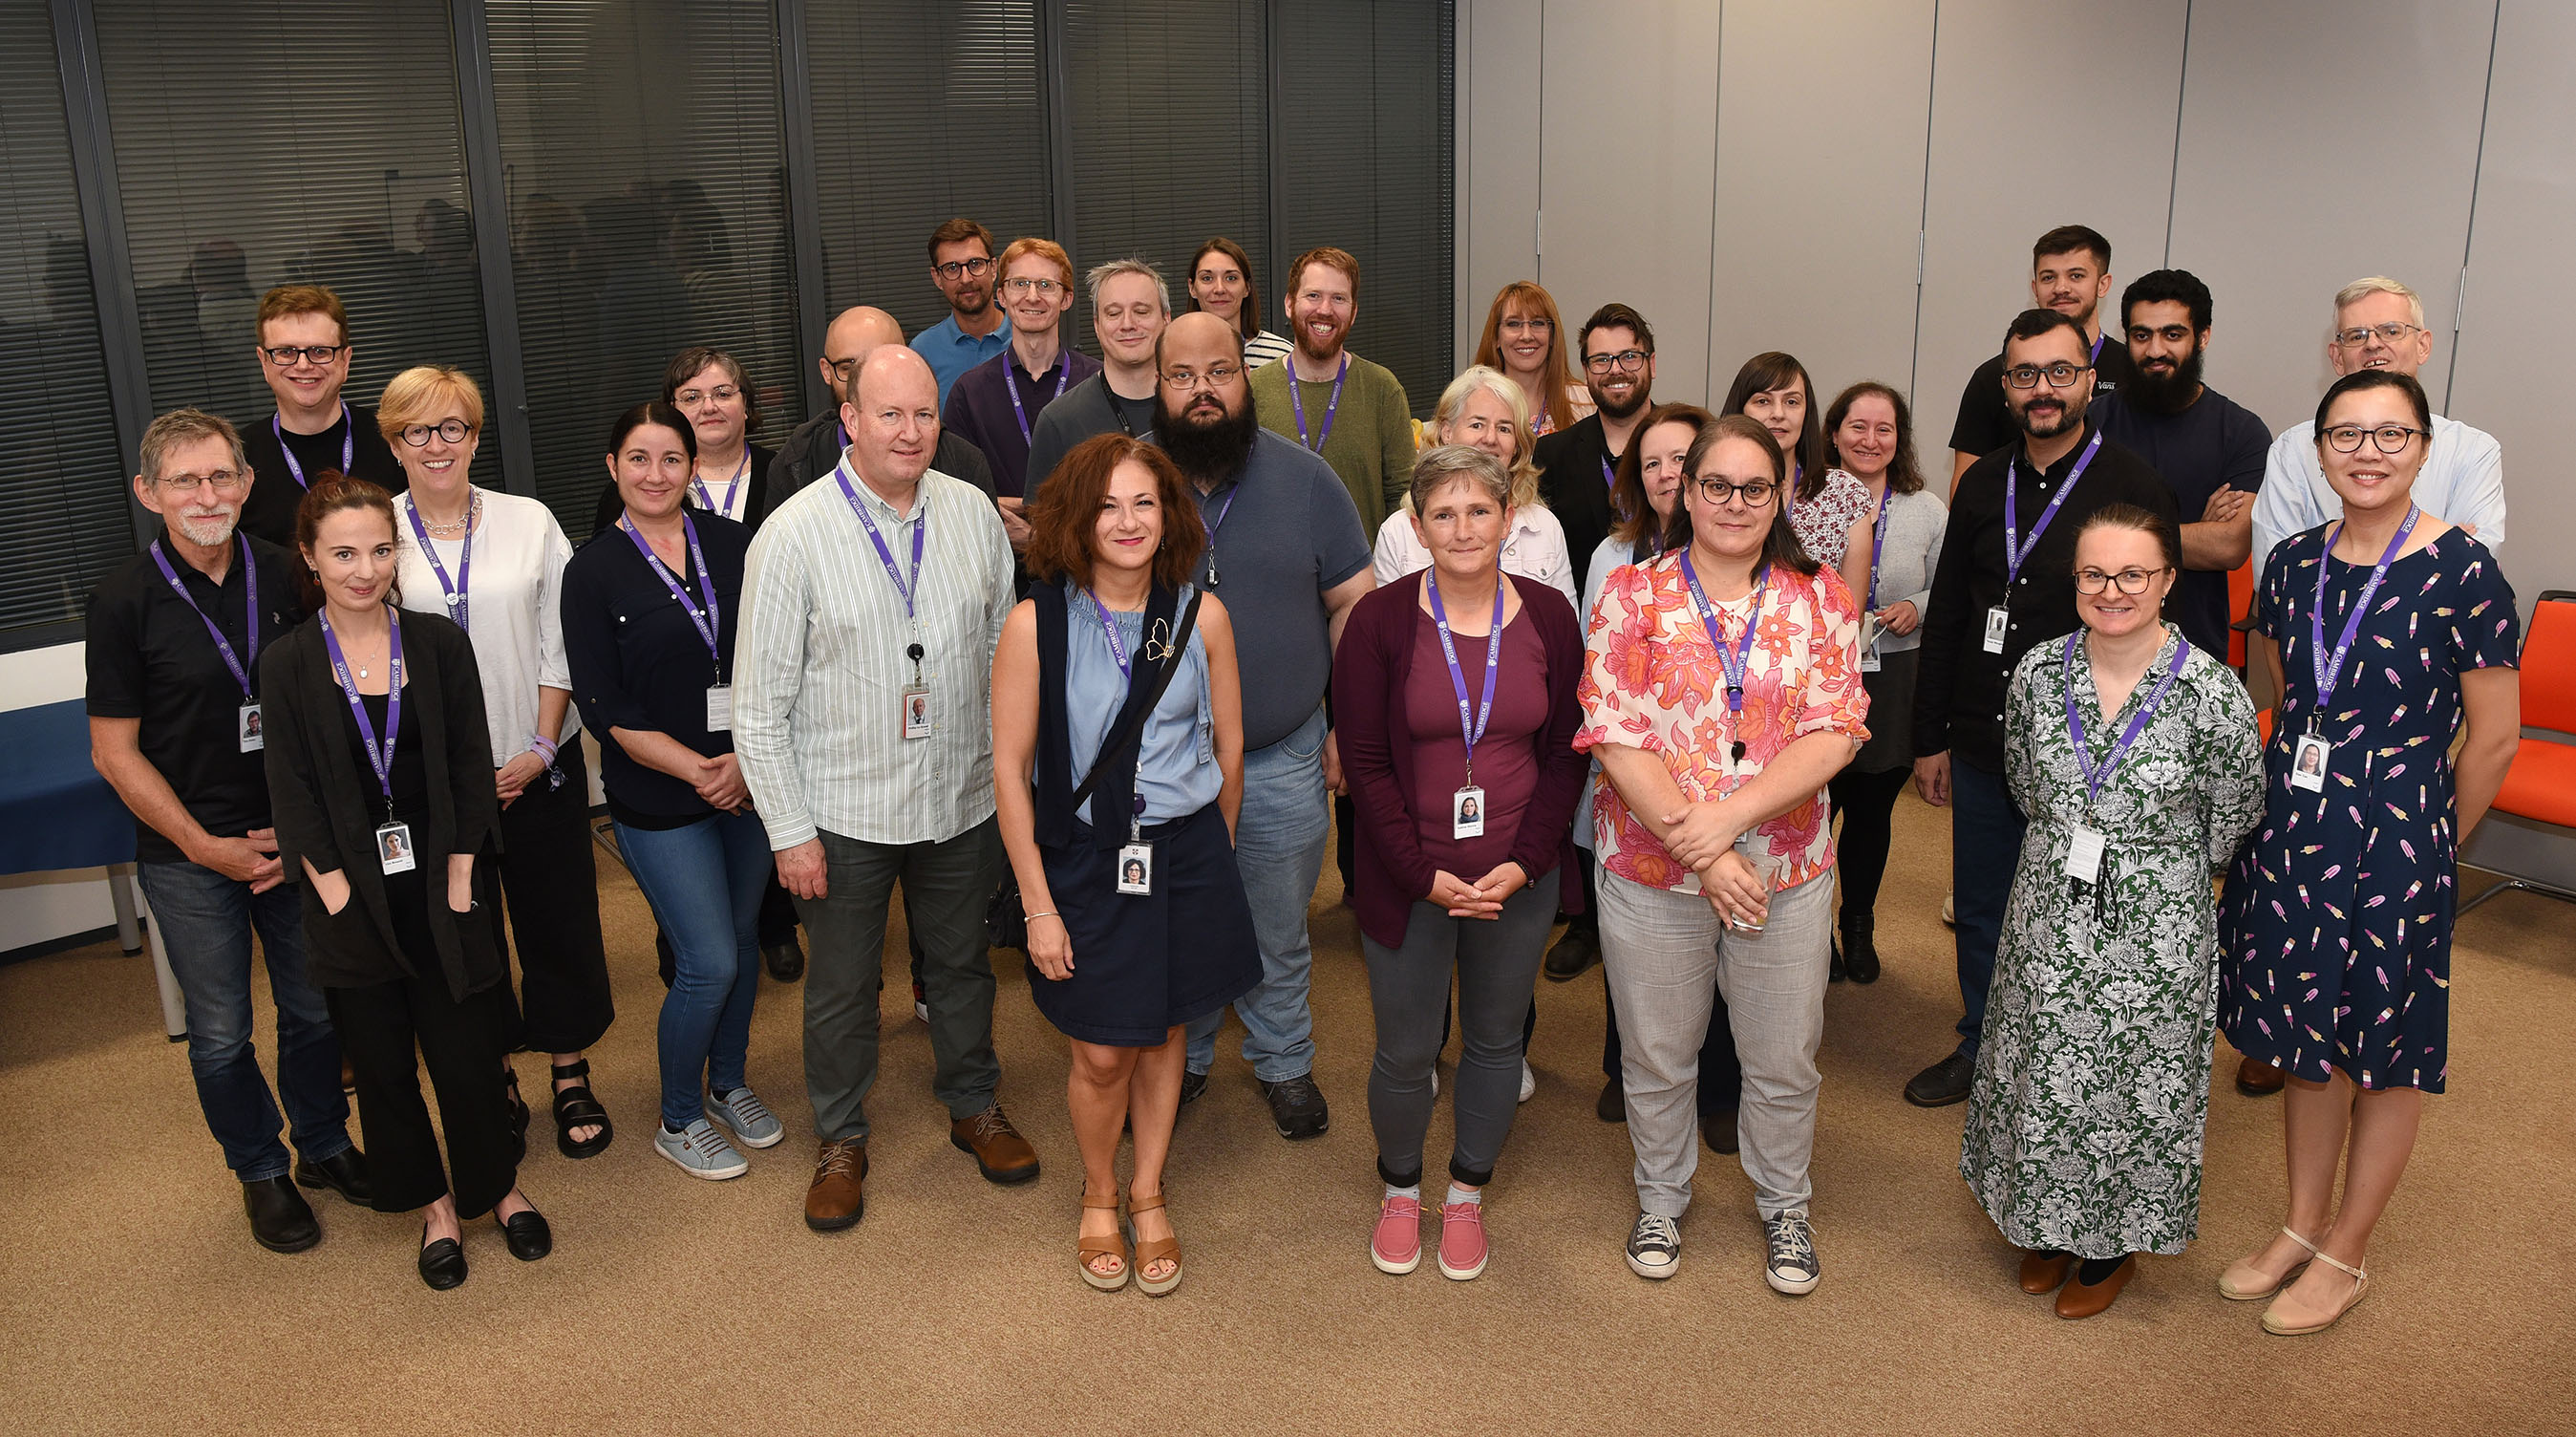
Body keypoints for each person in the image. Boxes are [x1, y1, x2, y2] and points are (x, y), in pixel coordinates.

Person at [2215, 369, 2521, 1336]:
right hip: (2298, 830)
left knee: (2383, 1050)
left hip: (2399, 836)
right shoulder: (2295, 562)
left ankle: (2347, 1249)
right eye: (2347, 433)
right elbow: (2282, 688)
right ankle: (2301, 1224)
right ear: (2320, 451)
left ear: (2426, 447)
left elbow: (2497, 737)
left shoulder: (2464, 567)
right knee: (2309, 1037)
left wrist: (2431, 837)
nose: (2368, 452)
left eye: (2392, 434)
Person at [734, 346, 1038, 1233]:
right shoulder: (790, 534)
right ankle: (839, 1136)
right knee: (838, 986)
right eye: (891, 415)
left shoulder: (973, 512)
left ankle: (972, 1103)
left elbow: (997, 652)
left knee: (960, 967)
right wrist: (789, 832)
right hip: (842, 811)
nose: (911, 432)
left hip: (957, 798)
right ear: (850, 422)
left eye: (925, 415)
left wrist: (1005, 778)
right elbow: (757, 709)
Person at [1578, 415, 1868, 1293]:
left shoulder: (1818, 597)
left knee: (1782, 1056)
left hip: (1782, 871)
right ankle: (1660, 1198)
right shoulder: (1632, 594)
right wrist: (1703, 852)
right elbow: (1614, 732)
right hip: (1652, 869)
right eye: (1716, 485)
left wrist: (1730, 821)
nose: (1735, 504)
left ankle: (1785, 1205)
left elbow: (1835, 732)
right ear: (1683, 489)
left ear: (1780, 496)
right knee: (1658, 1054)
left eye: (1755, 488)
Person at [1962, 505, 2264, 1319]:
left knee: (2132, 1078)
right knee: (2042, 1060)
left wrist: (2156, 870)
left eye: (2133, 574)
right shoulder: (2034, 672)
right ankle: (2046, 1227)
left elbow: (2234, 814)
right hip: (2047, 901)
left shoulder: (2211, 692)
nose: (2112, 590)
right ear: (2074, 581)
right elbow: (2027, 785)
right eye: (2094, 574)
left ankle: (2110, 1247)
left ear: (2168, 580)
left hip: (2157, 920)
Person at [86, 408, 367, 1255]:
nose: (205, 494)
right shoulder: (121, 603)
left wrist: (299, 830)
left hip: (295, 842)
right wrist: (207, 847)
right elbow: (114, 753)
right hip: (188, 855)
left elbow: (341, 712)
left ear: (248, 488)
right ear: (148, 494)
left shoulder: (294, 575)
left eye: (220, 477)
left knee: (317, 1012)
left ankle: (320, 1145)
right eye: (183, 480)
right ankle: (259, 1171)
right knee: (218, 1033)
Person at [261, 478, 547, 1291]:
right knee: (383, 1066)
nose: (364, 569)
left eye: (379, 550)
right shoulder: (285, 663)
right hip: (348, 894)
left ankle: (497, 1188)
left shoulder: (434, 643)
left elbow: (466, 764)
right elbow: (292, 793)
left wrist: (461, 877)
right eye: (343, 553)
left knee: (466, 1053)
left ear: (398, 553)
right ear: (311, 559)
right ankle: (434, 1208)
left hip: (444, 879)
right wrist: (337, 895)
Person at [992, 434, 1259, 1296]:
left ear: (1169, 514)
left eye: (1144, 501)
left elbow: (1228, 748)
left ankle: (1146, 1192)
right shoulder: (1035, 623)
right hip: (1082, 862)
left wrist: (1209, 850)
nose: (1128, 520)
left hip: (1183, 857)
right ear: (1077, 517)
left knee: (1169, 1029)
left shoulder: (1199, 616)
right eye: (1107, 504)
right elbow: (1009, 770)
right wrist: (1037, 906)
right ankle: (1097, 1189)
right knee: (1103, 1051)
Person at [1905, 309, 2181, 1109]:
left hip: (2089, 755)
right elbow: (1954, 611)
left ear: (2091, 379)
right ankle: (1981, 1046)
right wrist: (1931, 736)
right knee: (1986, 904)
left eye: (2060, 372)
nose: (2042, 390)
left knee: (2076, 911)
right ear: (2005, 388)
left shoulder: (2132, 485)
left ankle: (2063, 1068)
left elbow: (2164, 618)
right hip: (1987, 739)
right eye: (2024, 375)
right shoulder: (1984, 481)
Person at [1337, 444, 1587, 1282]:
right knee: (1405, 1050)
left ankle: (1468, 1192)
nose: (1462, 527)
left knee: (1492, 1043)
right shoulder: (1379, 621)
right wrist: (1419, 874)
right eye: (1442, 513)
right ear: (1416, 527)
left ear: (1508, 520)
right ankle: (1401, 1190)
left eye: (1479, 510)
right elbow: (1365, 765)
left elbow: (1566, 757)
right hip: (1409, 879)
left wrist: (1524, 863)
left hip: (1516, 876)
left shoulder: (1551, 616)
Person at [383, 365, 614, 1163]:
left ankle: (569, 1068)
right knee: (464, 935)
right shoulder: (377, 534)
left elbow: (560, 641)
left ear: (476, 436)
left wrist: (541, 748)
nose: (437, 445)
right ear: (395, 442)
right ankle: (497, 1073)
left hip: (535, 765)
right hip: (433, 786)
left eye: (453, 428)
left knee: (558, 923)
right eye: (418, 430)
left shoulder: (529, 520)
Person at [1156, 311, 1373, 1136]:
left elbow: (1352, 603)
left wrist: (1343, 723)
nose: (1202, 390)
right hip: (1164, 764)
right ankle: (1192, 1058)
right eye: (1183, 375)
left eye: (1218, 371)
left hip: (1283, 752)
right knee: (1180, 920)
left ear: (1243, 379)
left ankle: (1284, 1061)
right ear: (1159, 383)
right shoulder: (1133, 485)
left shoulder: (1307, 478)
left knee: (1277, 928)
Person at [564, 403, 782, 1182]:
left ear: (693, 467)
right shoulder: (590, 570)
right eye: (638, 459)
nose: (655, 475)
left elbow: (776, 658)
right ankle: (678, 1116)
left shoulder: (734, 544)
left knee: (744, 944)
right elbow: (604, 707)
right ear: (613, 468)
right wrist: (702, 770)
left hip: (753, 785)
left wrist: (747, 768)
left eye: (670, 459)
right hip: (661, 798)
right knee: (707, 961)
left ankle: (727, 1083)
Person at [1560, 403, 1714, 1023]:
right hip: (1629, 774)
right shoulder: (1612, 556)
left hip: (1713, 780)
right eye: (1650, 463)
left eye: (1679, 458)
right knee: (1630, 940)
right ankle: (1620, 1067)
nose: (1664, 473)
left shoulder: (1741, 548)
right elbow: (1593, 673)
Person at [2249, 277, 2505, 590]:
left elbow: (2472, 573)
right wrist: (2435, 556)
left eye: (2391, 331)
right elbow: (2275, 578)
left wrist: (2327, 568)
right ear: (2336, 356)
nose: (2373, 344)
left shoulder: (2473, 450)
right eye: (2356, 335)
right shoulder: (2292, 450)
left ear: (2423, 345)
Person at [1820, 382, 1948, 985]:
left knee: (1871, 810)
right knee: (1813, 808)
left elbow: (1948, 589)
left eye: (1884, 429)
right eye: (1857, 427)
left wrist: (1916, 606)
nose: (1870, 440)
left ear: (1900, 439)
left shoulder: (1924, 508)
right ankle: (1811, 931)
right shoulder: (1808, 498)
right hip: (1817, 674)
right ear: (1835, 432)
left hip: (1894, 672)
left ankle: (1859, 923)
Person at [2089, 269, 2267, 657]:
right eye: (2141, 335)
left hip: (2194, 652)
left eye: (2172, 334)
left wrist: (2111, 536)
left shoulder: (2241, 432)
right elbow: (2067, 533)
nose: (2155, 350)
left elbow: (2230, 546)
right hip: (2095, 642)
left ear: (2202, 337)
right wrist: (2197, 530)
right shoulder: (2091, 425)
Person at [1948, 225, 2140, 489]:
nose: (2061, 288)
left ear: (2103, 284)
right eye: (2049, 277)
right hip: (2014, 526)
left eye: (2076, 276)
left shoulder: (2133, 372)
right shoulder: (1993, 376)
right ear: (2034, 287)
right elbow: (1966, 486)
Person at [1372, 366, 1577, 606]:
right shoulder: (1399, 532)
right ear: (1447, 432)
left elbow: (1563, 627)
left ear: (1517, 444)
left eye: (1504, 428)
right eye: (1477, 425)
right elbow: (1385, 629)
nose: (1490, 439)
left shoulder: (1544, 527)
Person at [1247, 247, 1416, 534]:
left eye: (1338, 298)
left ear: (1353, 312)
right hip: (1276, 570)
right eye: (1313, 295)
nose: (1325, 310)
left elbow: (1402, 497)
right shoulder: (1253, 390)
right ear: (1289, 304)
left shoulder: (1382, 389)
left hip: (1363, 573)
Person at [769, 305, 995, 518]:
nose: (863, 383)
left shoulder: (961, 462)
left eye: (881, 366)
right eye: (848, 368)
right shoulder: (796, 463)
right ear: (826, 372)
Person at [942, 237, 1102, 530]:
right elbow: (955, 494)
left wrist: (1022, 514)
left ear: (1066, 299)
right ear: (1001, 296)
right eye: (1019, 284)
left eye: (1045, 285)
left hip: (1087, 560)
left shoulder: (1099, 384)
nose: (1032, 296)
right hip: (998, 562)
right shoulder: (969, 393)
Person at [236, 285, 402, 546]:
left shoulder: (395, 441)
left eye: (319, 351)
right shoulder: (236, 460)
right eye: (286, 352)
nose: (303, 365)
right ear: (264, 362)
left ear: (345, 361)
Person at [1535, 303, 1657, 601]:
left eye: (1629, 357)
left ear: (1652, 364)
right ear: (1587, 371)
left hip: (1680, 624)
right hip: (1585, 628)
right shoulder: (1549, 457)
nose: (1616, 369)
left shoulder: (1690, 445)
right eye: (1601, 360)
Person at [589, 346, 778, 534]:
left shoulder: (783, 472)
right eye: (692, 398)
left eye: (723, 394)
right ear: (672, 411)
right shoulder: (638, 487)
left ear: (745, 404)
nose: (709, 407)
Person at [1024, 259, 1171, 491]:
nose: (1128, 324)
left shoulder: (1195, 409)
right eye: (1113, 313)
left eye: (1141, 311)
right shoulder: (1059, 421)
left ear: (1166, 319)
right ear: (1096, 325)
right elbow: (1044, 523)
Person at [1721, 352, 1871, 576]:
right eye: (1763, 401)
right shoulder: (1711, 487)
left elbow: (1850, 609)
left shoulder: (1845, 493)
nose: (1778, 414)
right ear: (1740, 408)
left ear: (1806, 412)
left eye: (1792, 402)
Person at [910, 217, 1011, 408]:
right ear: (937, 278)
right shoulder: (922, 352)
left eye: (975, 264)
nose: (965, 279)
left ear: (993, 268)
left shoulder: (1026, 335)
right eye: (952, 268)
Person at [1472, 281, 1592, 439]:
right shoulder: (1472, 403)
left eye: (1537, 323)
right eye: (1514, 324)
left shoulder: (1584, 402)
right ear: (1496, 338)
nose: (1527, 336)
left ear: (1552, 336)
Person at [1186, 237, 1290, 368]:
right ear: (1192, 287)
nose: (1219, 289)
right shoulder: (1174, 354)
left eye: (1231, 278)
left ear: (1247, 287)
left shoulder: (1281, 356)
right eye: (1207, 278)